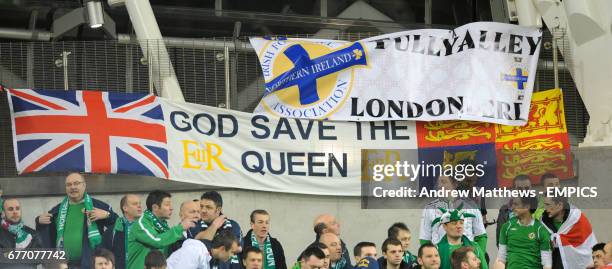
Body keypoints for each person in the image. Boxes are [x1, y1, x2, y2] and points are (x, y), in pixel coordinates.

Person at [36, 172, 117, 269]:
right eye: (69, 185)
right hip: (63, 265)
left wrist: (107, 215)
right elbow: (46, 236)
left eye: (76, 183)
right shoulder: (57, 210)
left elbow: (119, 225)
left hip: (90, 264)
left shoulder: (97, 206)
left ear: (84, 185)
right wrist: (38, 221)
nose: (72, 187)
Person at [127, 190, 197, 269]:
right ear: (155, 207)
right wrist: (180, 227)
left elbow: (168, 241)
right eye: (167, 205)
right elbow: (157, 241)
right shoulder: (141, 223)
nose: (171, 208)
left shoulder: (163, 225)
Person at [419, 176, 487, 255]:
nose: (440, 186)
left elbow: (481, 236)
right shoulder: (429, 209)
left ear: (455, 184)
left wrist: (476, 256)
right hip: (441, 258)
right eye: (438, 183)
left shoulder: (471, 206)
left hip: (466, 259)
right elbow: (424, 239)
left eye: (444, 182)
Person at [541, 196, 597, 269]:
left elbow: (587, 245)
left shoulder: (577, 218)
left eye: (548, 205)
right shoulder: (543, 221)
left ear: (559, 205)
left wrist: (556, 241)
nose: (545, 208)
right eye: (545, 204)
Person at [495, 197, 552, 269]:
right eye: (512, 204)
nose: (512, 207)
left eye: (516, 204)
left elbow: (547, 264)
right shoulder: (506, 227)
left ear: (527, 207)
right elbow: (501, 259)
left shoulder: (540, 230)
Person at [195, 191, 243, 269]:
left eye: (208, 207)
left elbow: (237, 248)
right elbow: (197, 249)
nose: (203, 210)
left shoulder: (232, 225)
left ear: (218, 209)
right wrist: (214, 226)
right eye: (201, 206)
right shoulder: (194, 226)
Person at [0, 198, 43, 269]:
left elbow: (39, 258)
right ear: (3, 213)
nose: (15, 212)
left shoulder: (32, 234)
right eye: (10, 209)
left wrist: (9, 254)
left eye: (17, 208)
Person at [103, 194, 142, 269]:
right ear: (125, 208)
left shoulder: (148, 228)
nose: (139, 206)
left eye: (139, 203)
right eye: (135, 204)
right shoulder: (112, 231)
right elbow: (104, 257)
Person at [166, 230, 241, 269]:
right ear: (222, 249)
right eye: (232, 252)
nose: (233, 256)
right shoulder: (196, 250)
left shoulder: (212, 257)